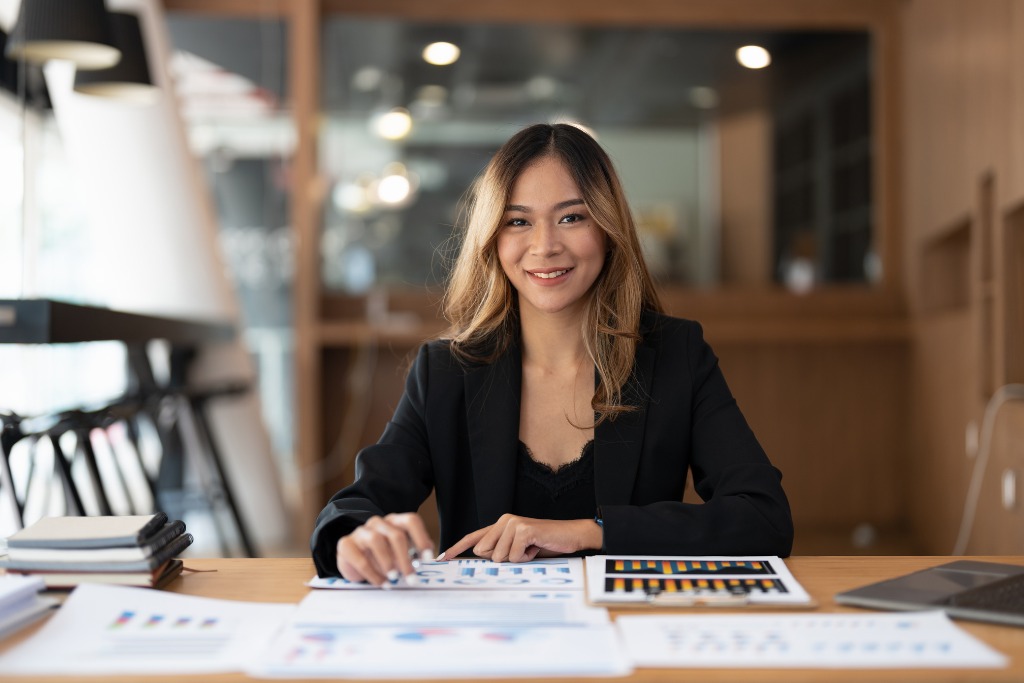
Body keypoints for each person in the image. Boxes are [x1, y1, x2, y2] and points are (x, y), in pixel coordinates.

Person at [310, 122, 793, 584]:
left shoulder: (675, 355)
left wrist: (593, 532)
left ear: (607, 227)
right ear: (492, 240)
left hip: (629, 631)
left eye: (572, 217)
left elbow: (763, 517)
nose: (544, 246)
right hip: (490, 645)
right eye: (518, 221)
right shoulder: (446, 371)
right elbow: (357, 507)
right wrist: (355, 539)